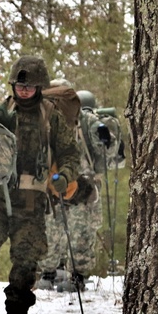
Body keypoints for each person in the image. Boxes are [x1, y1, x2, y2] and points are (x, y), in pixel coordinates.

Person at [0, 56, 79, 314]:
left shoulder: (51, 116)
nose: (24, 90)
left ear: (40, 87)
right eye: (20, 85)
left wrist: (65, 177)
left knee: (26, 259)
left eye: (30, 86)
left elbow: (70, 154)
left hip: (31, 201)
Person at [36, 82, 119, 292]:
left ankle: (78, 276)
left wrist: (107, 140)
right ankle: (48, 271)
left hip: (83, 187)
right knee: (49, 232)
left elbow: (109, 151)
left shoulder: (86, 121)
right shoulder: (43, 121)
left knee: (82, 232)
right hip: (53, 186)